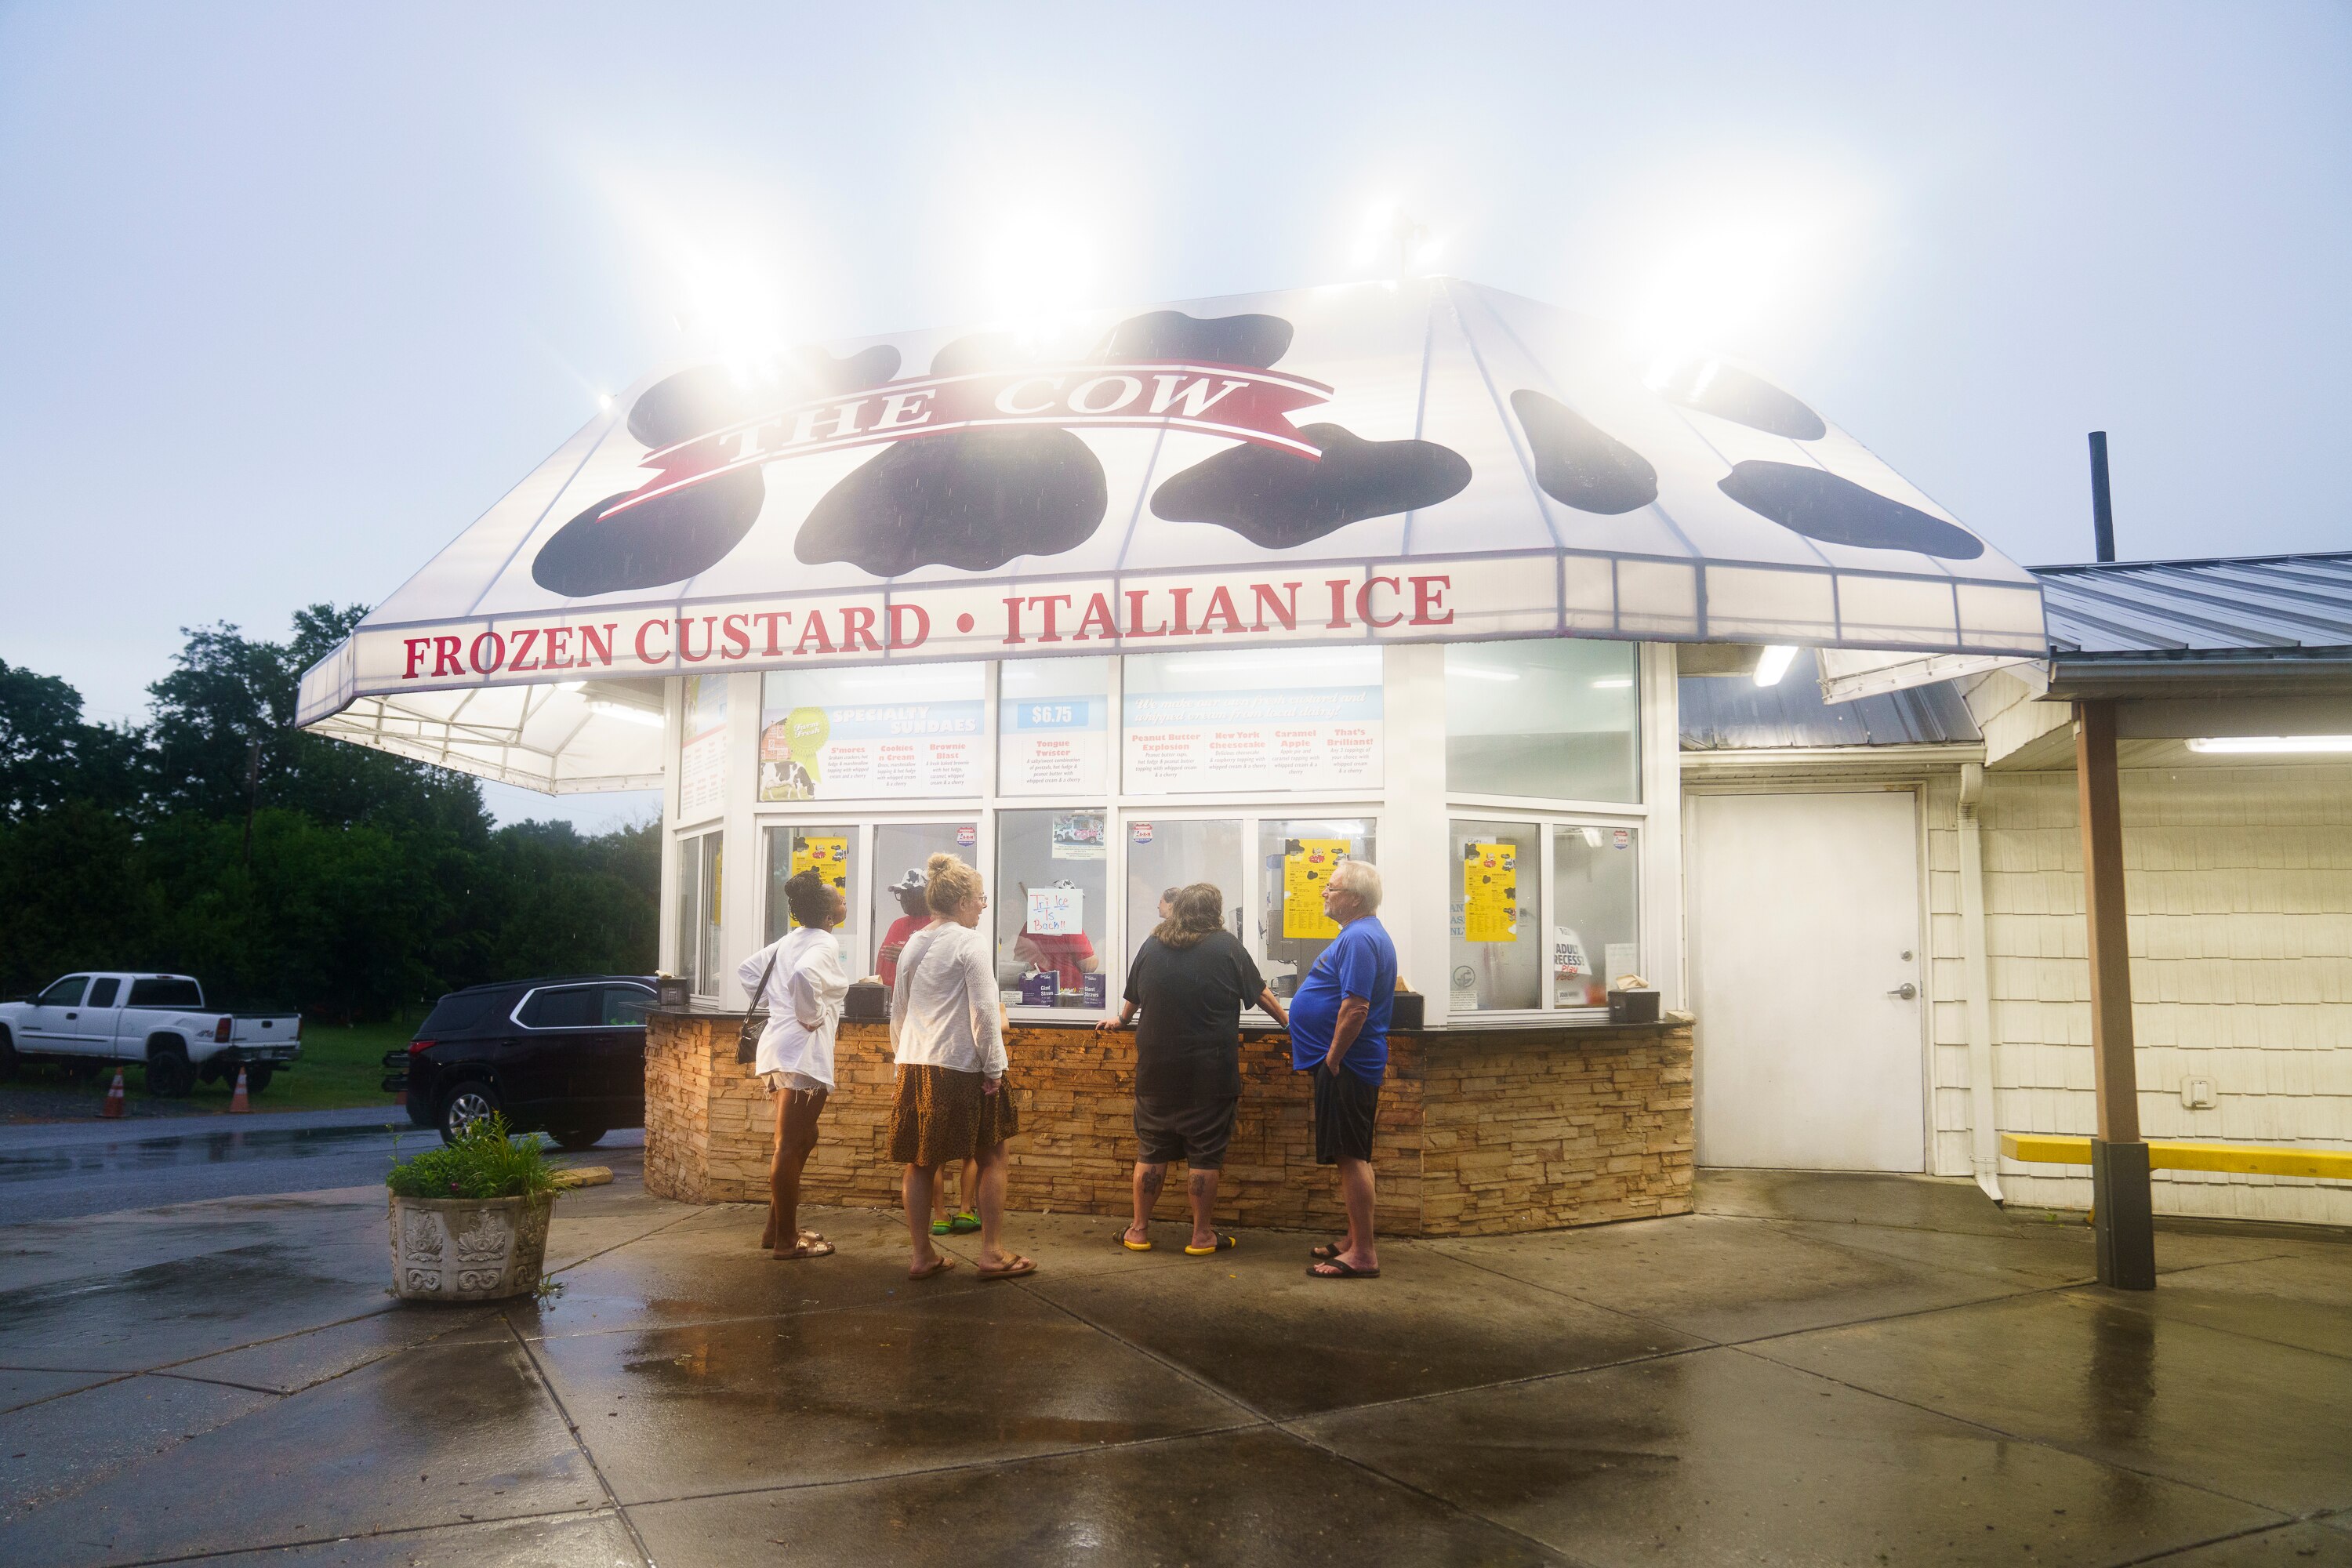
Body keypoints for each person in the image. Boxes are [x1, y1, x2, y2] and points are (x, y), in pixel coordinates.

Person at [1098, 883, 1287, 1255]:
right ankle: (1201, 1236)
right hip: (1209, 1074)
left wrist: (1121, 1021)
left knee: (1151, 1149)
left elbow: (1132, 996)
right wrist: (1287, 1022)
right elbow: (1261, 992)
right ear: (1215, 912)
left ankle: (1138, 1231)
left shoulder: (1152, 945)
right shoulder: (1226, 947)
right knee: (1204, 1154)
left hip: (1156, 1072)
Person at [888, 852, 1035, 1281]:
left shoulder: (914, 942)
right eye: (980, 898)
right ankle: (991, 1253)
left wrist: (904, 1058)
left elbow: (898, 1012)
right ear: (962, 902)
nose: (984, 905)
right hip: (963, 1065)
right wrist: (994, 1068)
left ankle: (922, 1256)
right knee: (992, 1155)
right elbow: (986, 1014)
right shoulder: (969, 942)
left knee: (919, 1161)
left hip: (916, 1063)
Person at [1287, 858, 1396, 1280]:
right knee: (1352, 1153)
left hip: (1346, 1065)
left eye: (1330, 888)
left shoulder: (1360, 939)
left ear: (1353, 897)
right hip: (1345, 1064)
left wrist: (1332, 1058)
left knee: (1351, 1156)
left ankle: (1363, 1254)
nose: (1324, 894)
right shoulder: (1360, 935)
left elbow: (1356, 1007)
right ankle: (1355, 1239)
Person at [736, 868, 851, 1261]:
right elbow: (803, 977)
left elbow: (749, 971)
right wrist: (807, 1016)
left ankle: (775, 1228)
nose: (844, 902)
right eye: (839, 898)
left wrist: (780, 1007)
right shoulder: (822, 943)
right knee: (788, 1144)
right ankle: (786, 1241)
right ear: (827, 914)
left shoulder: (792, 940)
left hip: (780, 1048)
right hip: (801, 1052)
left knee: (805, 1137)